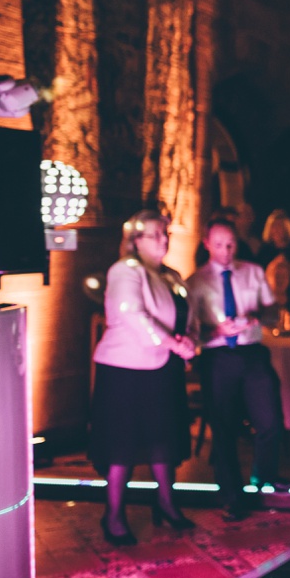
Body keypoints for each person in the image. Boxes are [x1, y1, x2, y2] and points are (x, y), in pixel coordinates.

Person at [90, 210, 196, 545]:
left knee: (164, 437)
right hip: (126, 371)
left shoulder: (172, 276)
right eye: (154, 234)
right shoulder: (126, 270)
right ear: (135, 240)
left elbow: (184, 318)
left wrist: (190, 340)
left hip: (163, 368)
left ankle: (166, 504)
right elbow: (131, 314)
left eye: (165, 234)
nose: (163, 240)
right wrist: (172, 344)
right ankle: (114, 514)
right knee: (124, 443)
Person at [187, 219, 284, 520]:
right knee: (223, 426)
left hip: (252, 352)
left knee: (269, 420)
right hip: (217, 357)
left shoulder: (253, 272)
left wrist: (256, 317)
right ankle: (232, 495)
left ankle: (263, 476)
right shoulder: (196, 281)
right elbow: (191, 332)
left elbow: (273, 313)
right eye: (219, 245)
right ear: (207, 244)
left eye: (230, 245)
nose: (226, 251)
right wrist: (216, 331)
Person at [256, 208, 290, 313]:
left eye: (280, 226)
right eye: (274, 226)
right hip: (271, 300)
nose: (277, 230)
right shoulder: (265, 252)